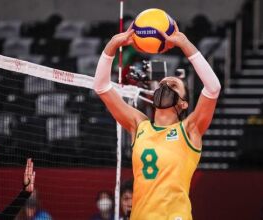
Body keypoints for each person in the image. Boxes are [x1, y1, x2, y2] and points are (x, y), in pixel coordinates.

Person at [93, 22, 221, 219]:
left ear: (184, 104)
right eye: (162, 84)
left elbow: (213, 88)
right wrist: (111, 45)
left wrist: (186, 44)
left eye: (173, 85)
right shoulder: (140, 124)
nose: (165, 86)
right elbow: (101, 87)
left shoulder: (189, 130)